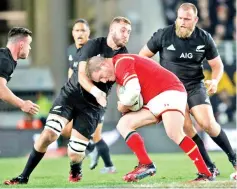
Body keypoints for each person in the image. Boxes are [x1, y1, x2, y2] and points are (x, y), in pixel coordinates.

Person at [4, 16, 131, 185]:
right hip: (70, 96)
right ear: (112, 30)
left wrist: (126, 100)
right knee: (49, 134)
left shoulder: (124, 55)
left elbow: (122, 82)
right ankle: (23, 176)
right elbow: (80, 75)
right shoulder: (92, 45)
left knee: (75, 153)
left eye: (128, 32)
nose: (126, 35)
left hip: (92, 107)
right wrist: (95, 90)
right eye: (123, 30)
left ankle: (75, 167)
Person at [139, 2, 236, 176]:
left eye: (187, 19)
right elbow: (142, 57)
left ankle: (234, 160)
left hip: (194, 86)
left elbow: (217, 65)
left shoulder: (204, 37)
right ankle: (209, 168)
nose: (182, 22)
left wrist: (214, 81)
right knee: (186, 128)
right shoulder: (163, 34)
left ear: (195, 20)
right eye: (180, 18)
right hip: (171, 90)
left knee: (208, 124)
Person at [85, 54, 214, 182]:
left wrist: (123, 106)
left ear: (103, 65)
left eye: (101, 76)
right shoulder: (118, 69)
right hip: (155, 99)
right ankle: (146, 164)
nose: (104, 80)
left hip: (169, 91)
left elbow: (134, 91)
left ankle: (205, 174)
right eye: (100, 80)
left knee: (175, 133)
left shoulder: (121, 62)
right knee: (124, 124)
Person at [61, 18, 117, 173]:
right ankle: (93, 151)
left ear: (88, 33)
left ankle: (108, 165)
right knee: (66, 130)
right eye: (77, 30)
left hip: (94, 101)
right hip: (78, 99)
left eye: (83, 30)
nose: (80, 33)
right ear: (72, 33)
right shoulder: (71, 50)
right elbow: (72, 71)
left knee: (97, 135)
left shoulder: (94, 50)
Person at [0, 27, 39, 115]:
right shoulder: (5, 61)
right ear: (21, 45)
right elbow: (0, 89)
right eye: (29, 44)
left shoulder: (5, 57)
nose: (30, 48)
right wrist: (22, 104)